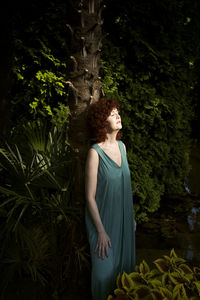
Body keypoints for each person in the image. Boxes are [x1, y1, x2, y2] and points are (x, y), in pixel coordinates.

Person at [85, 97, 136, 300]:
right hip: (103, 223)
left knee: (125, 274)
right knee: (103, 275)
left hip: (123, 220)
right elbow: (89, 197)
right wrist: (101, 231)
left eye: (118, 113)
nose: (118, 116)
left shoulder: (122, 147)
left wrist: (130, 216)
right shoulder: (94, 153)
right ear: (101, 121)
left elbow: (125, 186)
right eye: (112, 114)